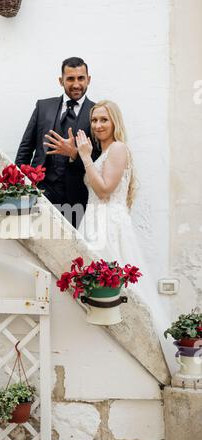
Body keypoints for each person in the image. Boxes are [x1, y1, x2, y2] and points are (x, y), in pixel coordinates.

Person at [76, 100, 174, 372]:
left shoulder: (118, 149)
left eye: (104, 120)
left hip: (108, 224)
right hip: (95, 221)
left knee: (118, 288)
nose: (98, 125)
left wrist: (84, 157)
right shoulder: (103, 152)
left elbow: (106, 189)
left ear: (115, 122)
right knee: (99, 289)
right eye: (94, 120)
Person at [15, 57, 99, 228]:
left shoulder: (97, 113)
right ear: (61, 81)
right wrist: (19, 187)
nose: (76, 84)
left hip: (77, 197)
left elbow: (100, 158)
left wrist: (74, 153)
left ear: (88, 79)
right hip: (40, 190)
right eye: (70, 79)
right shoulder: (43, 106)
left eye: (81, 78)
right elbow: (25, 148)